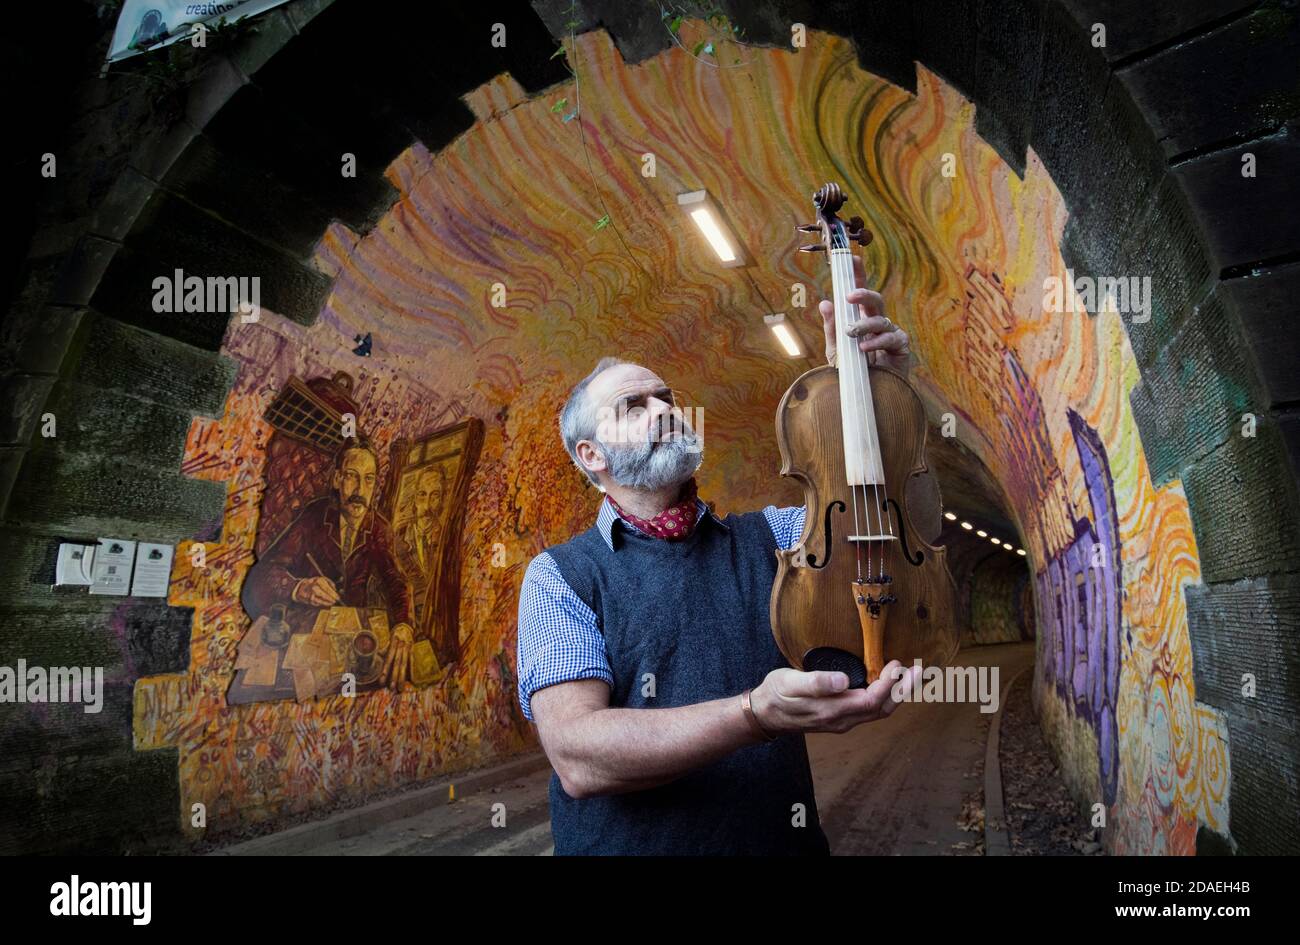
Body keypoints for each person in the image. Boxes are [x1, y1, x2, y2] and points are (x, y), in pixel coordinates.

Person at [517, 257, 922, 854]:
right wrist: (755, 714)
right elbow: (580, 755)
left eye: (666, 397)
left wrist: (878, 396)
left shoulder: (776, 539)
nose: (664, 410)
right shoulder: (561, 577)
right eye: (635, 407)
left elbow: (891, 528)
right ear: (592, 457)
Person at [242, 436, 417, 690]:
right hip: (306, 636)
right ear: (337, 480)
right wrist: (298, 588)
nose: (360, 490)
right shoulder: (314, 516)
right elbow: (260, 577)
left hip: (353, 643)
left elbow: (397, 582)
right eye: (351, 476)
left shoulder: (378, 528)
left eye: (369, 479)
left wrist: (403, 625)